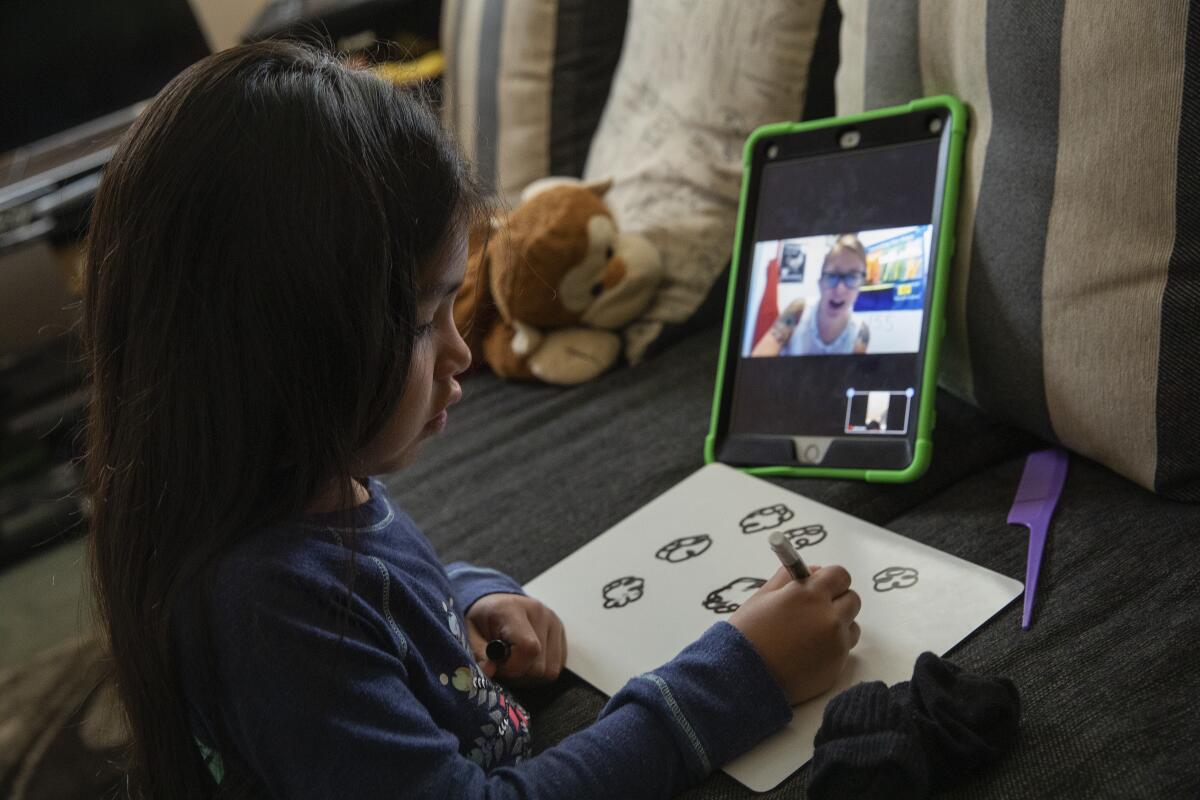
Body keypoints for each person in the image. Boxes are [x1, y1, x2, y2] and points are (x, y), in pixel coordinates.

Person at [82, 42, 862, 799]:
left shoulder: (311, 488)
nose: (461, 351)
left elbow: (386, 607)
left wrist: (469, 602)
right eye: (423, 321)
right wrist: (736, 677)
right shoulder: (264, 608)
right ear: (285, 348)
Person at [751, 234, 871, 356]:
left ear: (861, 285)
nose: (840, 289)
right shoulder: (799, 310)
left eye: (852, 277)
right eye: (832, 275)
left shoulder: (861, 331)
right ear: (820, 283)